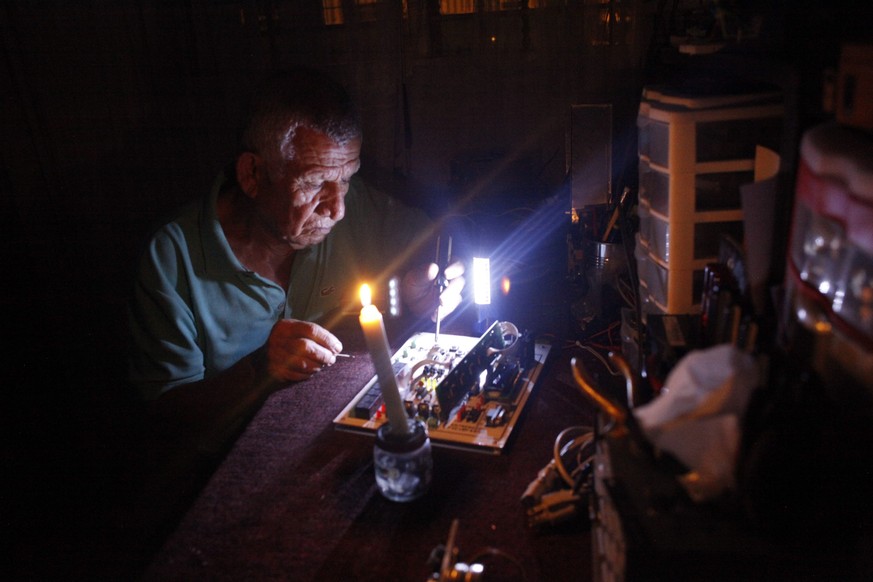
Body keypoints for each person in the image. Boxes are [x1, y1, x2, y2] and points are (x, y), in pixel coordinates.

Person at [128, 67, 464, 443]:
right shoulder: (172, 258)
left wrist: (418, 293)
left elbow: (443, 239)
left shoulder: (357, 207)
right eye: (315, 183)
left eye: (348, 178)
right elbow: (165, 414)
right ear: (252, 174)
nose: (337, 209)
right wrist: (260, 370)